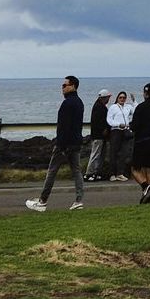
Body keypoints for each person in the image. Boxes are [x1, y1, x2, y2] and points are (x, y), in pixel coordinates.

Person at [26, 75, 85, 211]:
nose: (62, 88)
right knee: (76, 171)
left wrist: (61, 145)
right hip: (76, 143)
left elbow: (63, 127)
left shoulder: (67, 104)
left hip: (64, 144)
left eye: (65, 85)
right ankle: (79, 200)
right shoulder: (79, 102)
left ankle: (42, 201)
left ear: (73, 86)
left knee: (52, 171)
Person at [106, 90, 134, 182]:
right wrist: (118, 124)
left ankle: (120, 173)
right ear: (117, 98)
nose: (122, 99)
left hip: (125, 131)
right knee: (113, 153)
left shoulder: (127, 107)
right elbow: (109, 120)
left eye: (124, 98)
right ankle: (112, 174)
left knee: (124, 153)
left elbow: (136, 111)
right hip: (116, 131)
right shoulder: (113, 107)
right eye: (120, 97)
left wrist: (134, 101)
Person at [86, 89, 112, 182]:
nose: (108, 99)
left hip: (100, 135)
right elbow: (98, 121)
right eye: (108, 97)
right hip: (98, 135)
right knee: (96, 154)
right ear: (104, 98)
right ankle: (90, 173)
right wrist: (104, 129)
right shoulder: (99, 107)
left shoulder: (99, 106)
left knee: (100, 155)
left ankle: (96, 172)